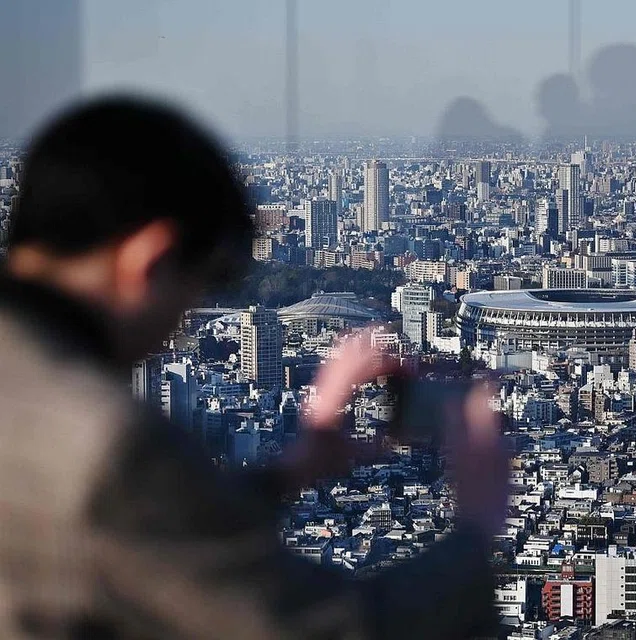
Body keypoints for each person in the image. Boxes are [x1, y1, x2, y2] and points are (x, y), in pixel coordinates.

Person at [0, 96, 508, 638]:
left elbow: (135, 541)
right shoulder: (109, 440)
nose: (181, 322)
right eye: (202, 284)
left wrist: (294, 468)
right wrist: (477, 529)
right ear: (150, 261)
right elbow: (321, 629)